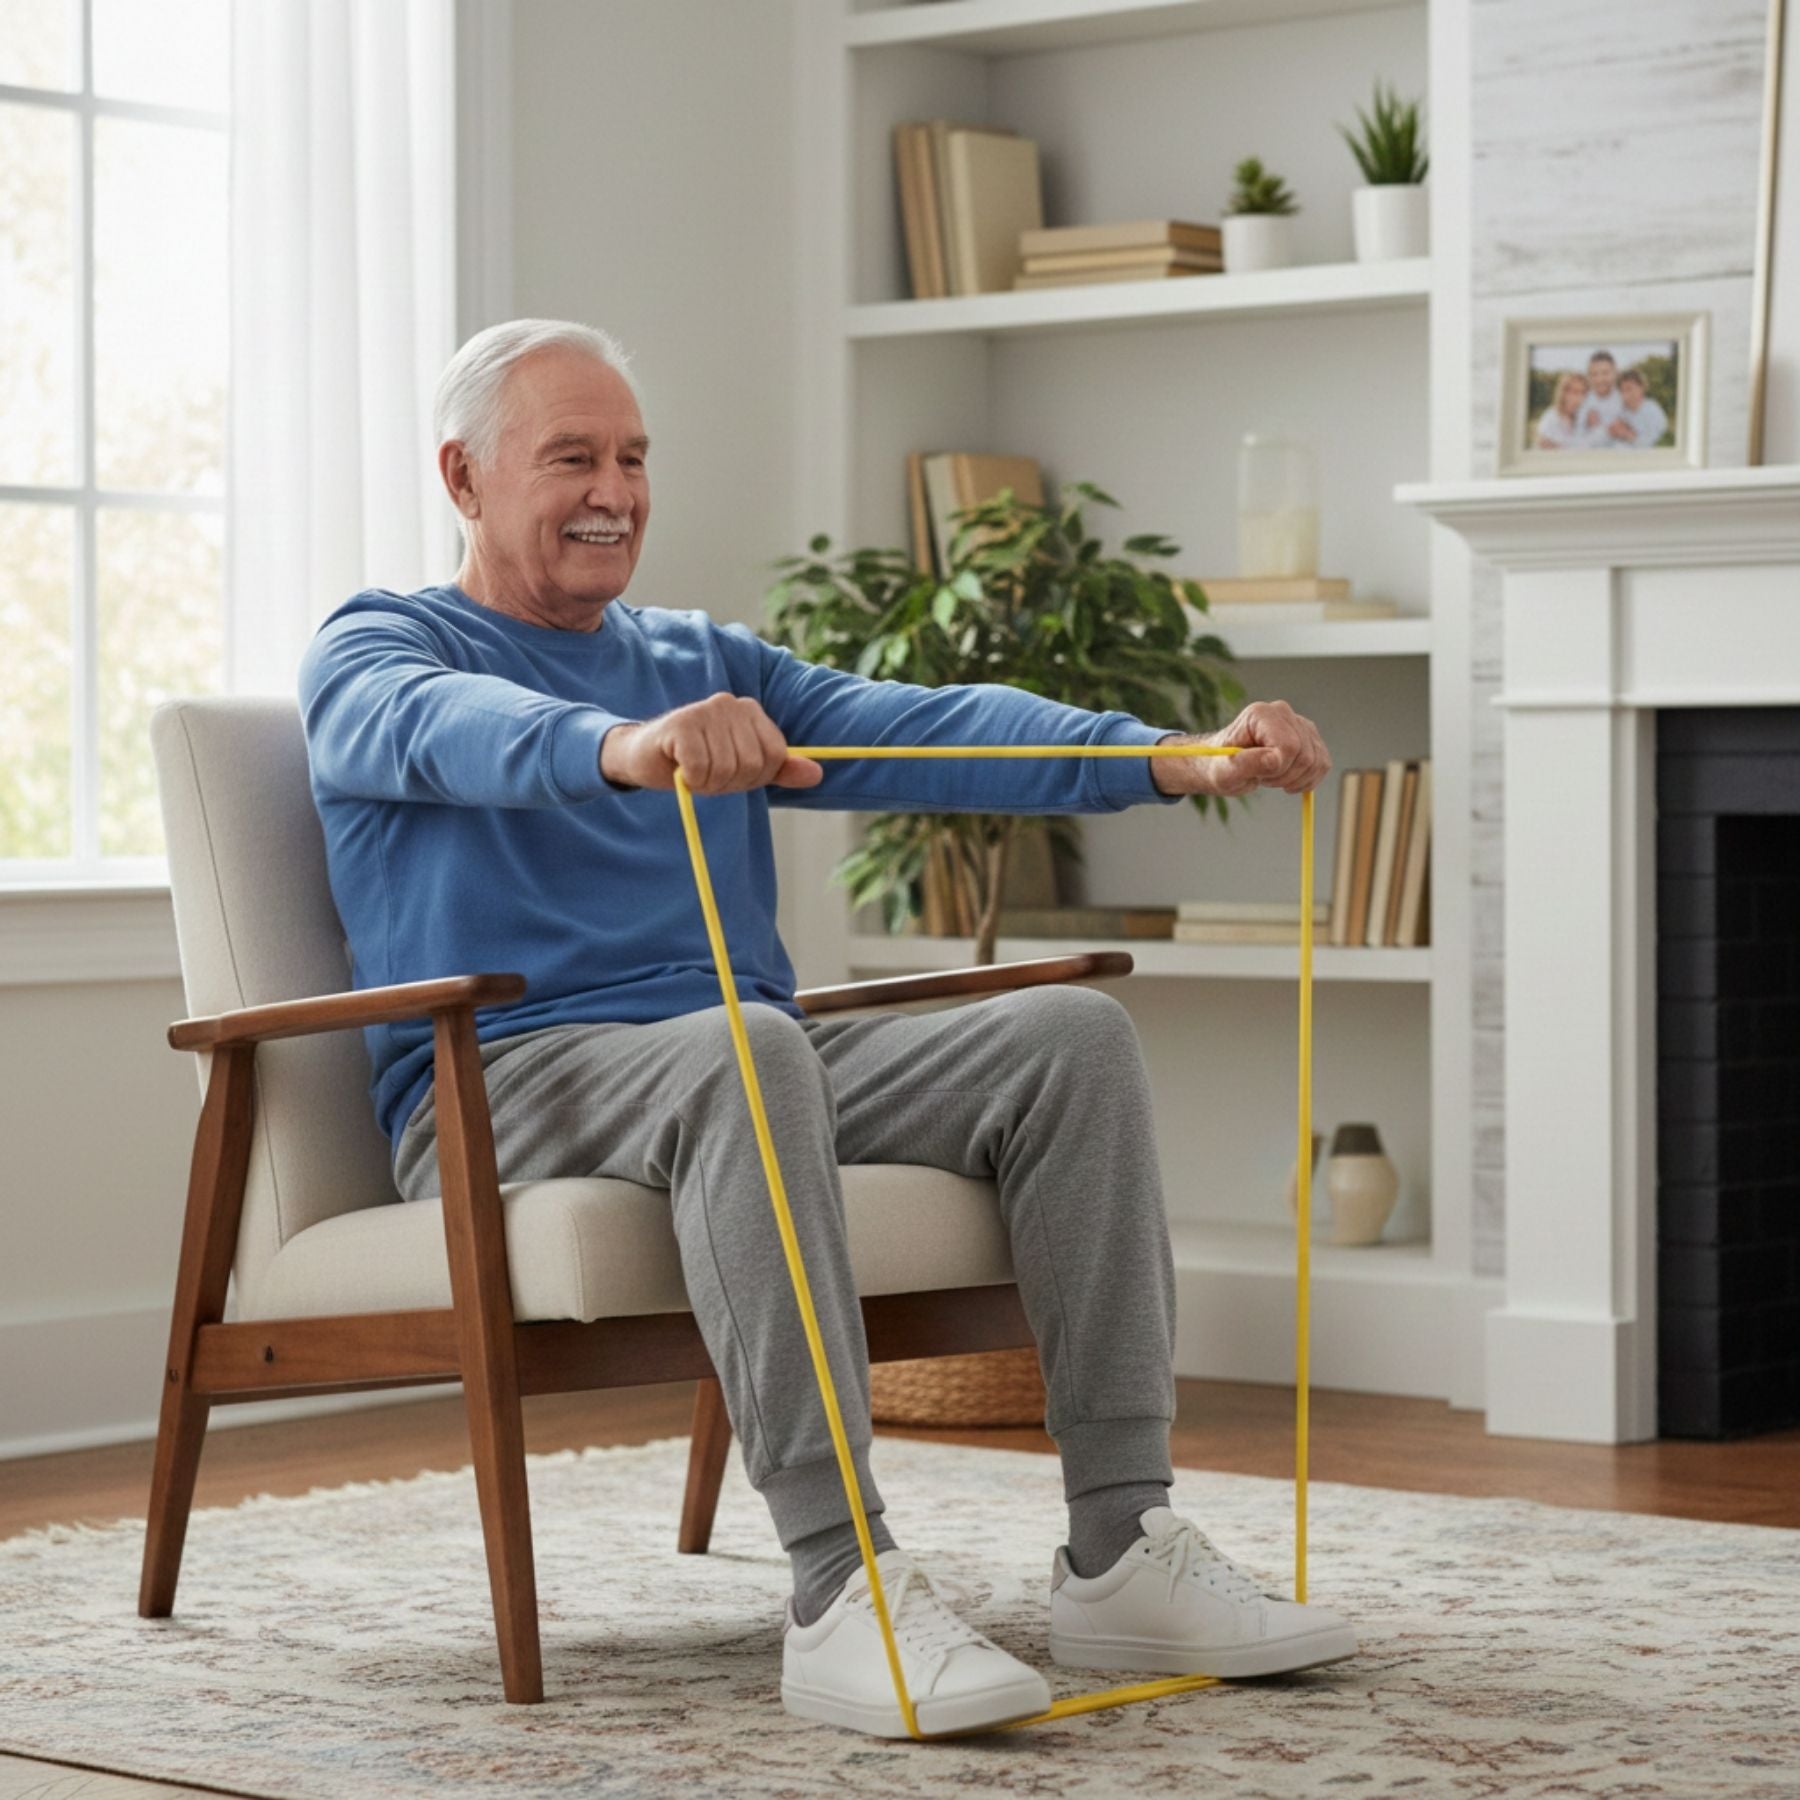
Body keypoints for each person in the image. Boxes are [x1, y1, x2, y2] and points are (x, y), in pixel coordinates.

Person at [297, 318, 1357, 1741]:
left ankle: (1121, 1544)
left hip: (729, 1051)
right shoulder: (380, 644)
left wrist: (1163, 758)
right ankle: (836, 1579)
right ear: (464, 476)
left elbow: (927, 720)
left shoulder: (692, 653)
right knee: (749, 1043)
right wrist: (621, 747)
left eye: (631, 456)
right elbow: (439, 727)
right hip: (501, 1077)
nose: (613, 487)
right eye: (571, 458)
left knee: (1066, 1039)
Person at [1607, 365, 1670, 449]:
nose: (1626, 395)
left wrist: (1627, 434)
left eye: (1629, 389)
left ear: (1641, 387)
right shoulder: (1623, 410)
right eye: (1622, 390)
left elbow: (1652, 444)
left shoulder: (1652, 409)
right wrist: (1613, 431)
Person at [1578, 349, 1625, 446]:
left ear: (1615, 373)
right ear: (1588, 377)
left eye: (1605, 373)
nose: (1600, 379)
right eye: (1594, 374)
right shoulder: (1582, 402)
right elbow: (1578, 444)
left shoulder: (1625, 399)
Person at [1534, 369, 1588, 449]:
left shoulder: (1583, 418)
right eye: (1575, 392)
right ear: (1564, 393)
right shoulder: (1550, 419)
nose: (1580, 399)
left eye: (1583, 393)